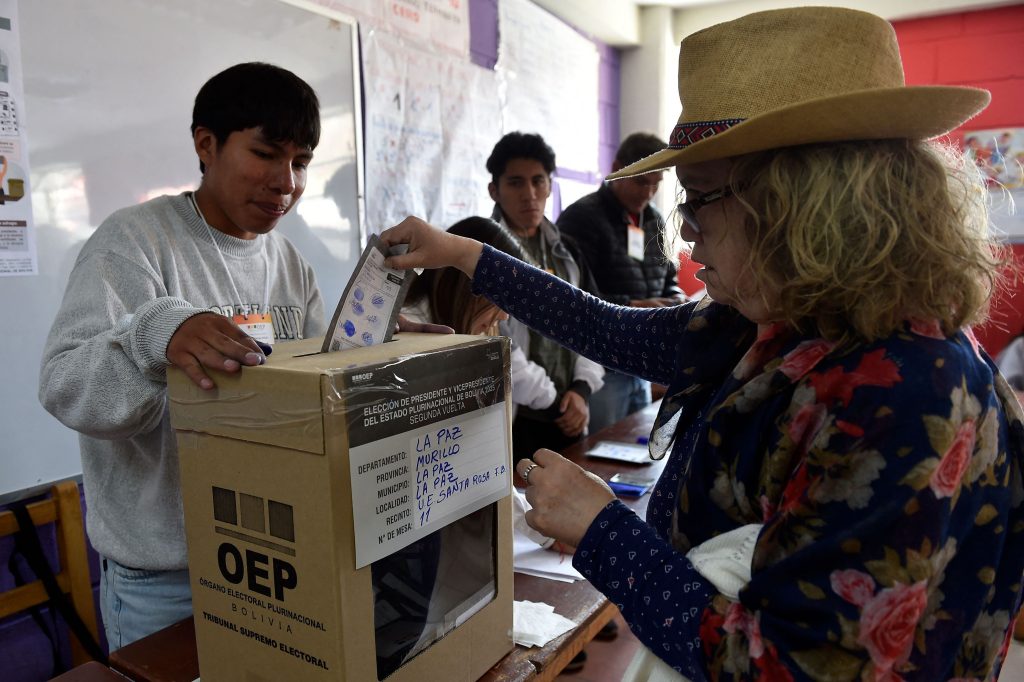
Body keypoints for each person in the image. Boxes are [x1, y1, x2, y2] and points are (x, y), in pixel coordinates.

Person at [381, 7, 1024, 681]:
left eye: (699, 200)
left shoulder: (904, 395)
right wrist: (460, 253)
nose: (685, 234)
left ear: (798, 204)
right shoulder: (778, 321)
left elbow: (778, 667)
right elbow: (601, 325)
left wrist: (604, 532)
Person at [36, 62, 444, 651]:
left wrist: (365, 347)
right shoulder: (134, 242)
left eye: (301, 161)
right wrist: (157, 335)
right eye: (265, 153)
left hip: (279, 560)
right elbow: (63, 385)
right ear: (206, 144)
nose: (287, 181)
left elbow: (310, 397)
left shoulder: (290, 264)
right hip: (167, 580)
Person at [484, 132, 603, 461]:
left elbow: (591, 323)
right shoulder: (486, 256)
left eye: (539, 181)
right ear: (494, 190)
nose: (530, 195)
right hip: (519, 415)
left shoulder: (567, 252)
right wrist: (556, 405)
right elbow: (500, 345)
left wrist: (580, 391)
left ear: (550, 185)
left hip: (572, 410)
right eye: (516, 183)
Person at [557, 132, 684, 432]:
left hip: (639, 362)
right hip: (600, 367)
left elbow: (669, 279)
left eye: (656, 184)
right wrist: (636, 307)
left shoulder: (653, 220)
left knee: (633, 451)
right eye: (642, 182)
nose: (649, 192)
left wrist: (674, 302)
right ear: (617, 168)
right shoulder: (581, 219)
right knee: (601, 450)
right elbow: (574, 297)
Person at [402, 216, 557, 413]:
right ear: (464, 285)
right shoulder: (408, 337)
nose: (504, 316)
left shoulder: (480, 330)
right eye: (499, 297)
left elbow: (538, 389)